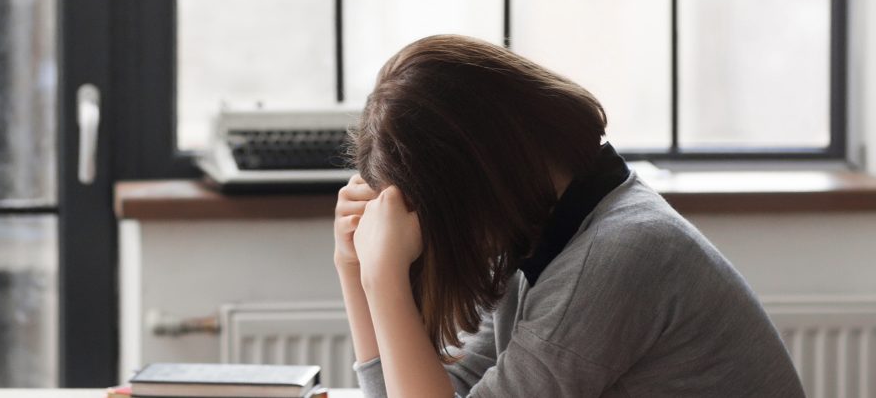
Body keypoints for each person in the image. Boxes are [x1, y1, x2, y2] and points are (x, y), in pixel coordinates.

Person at [334, 34, 804, 397]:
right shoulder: (547, 235)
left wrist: (384, 279)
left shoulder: (614, 257)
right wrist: (355, 270)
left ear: (473, 185)